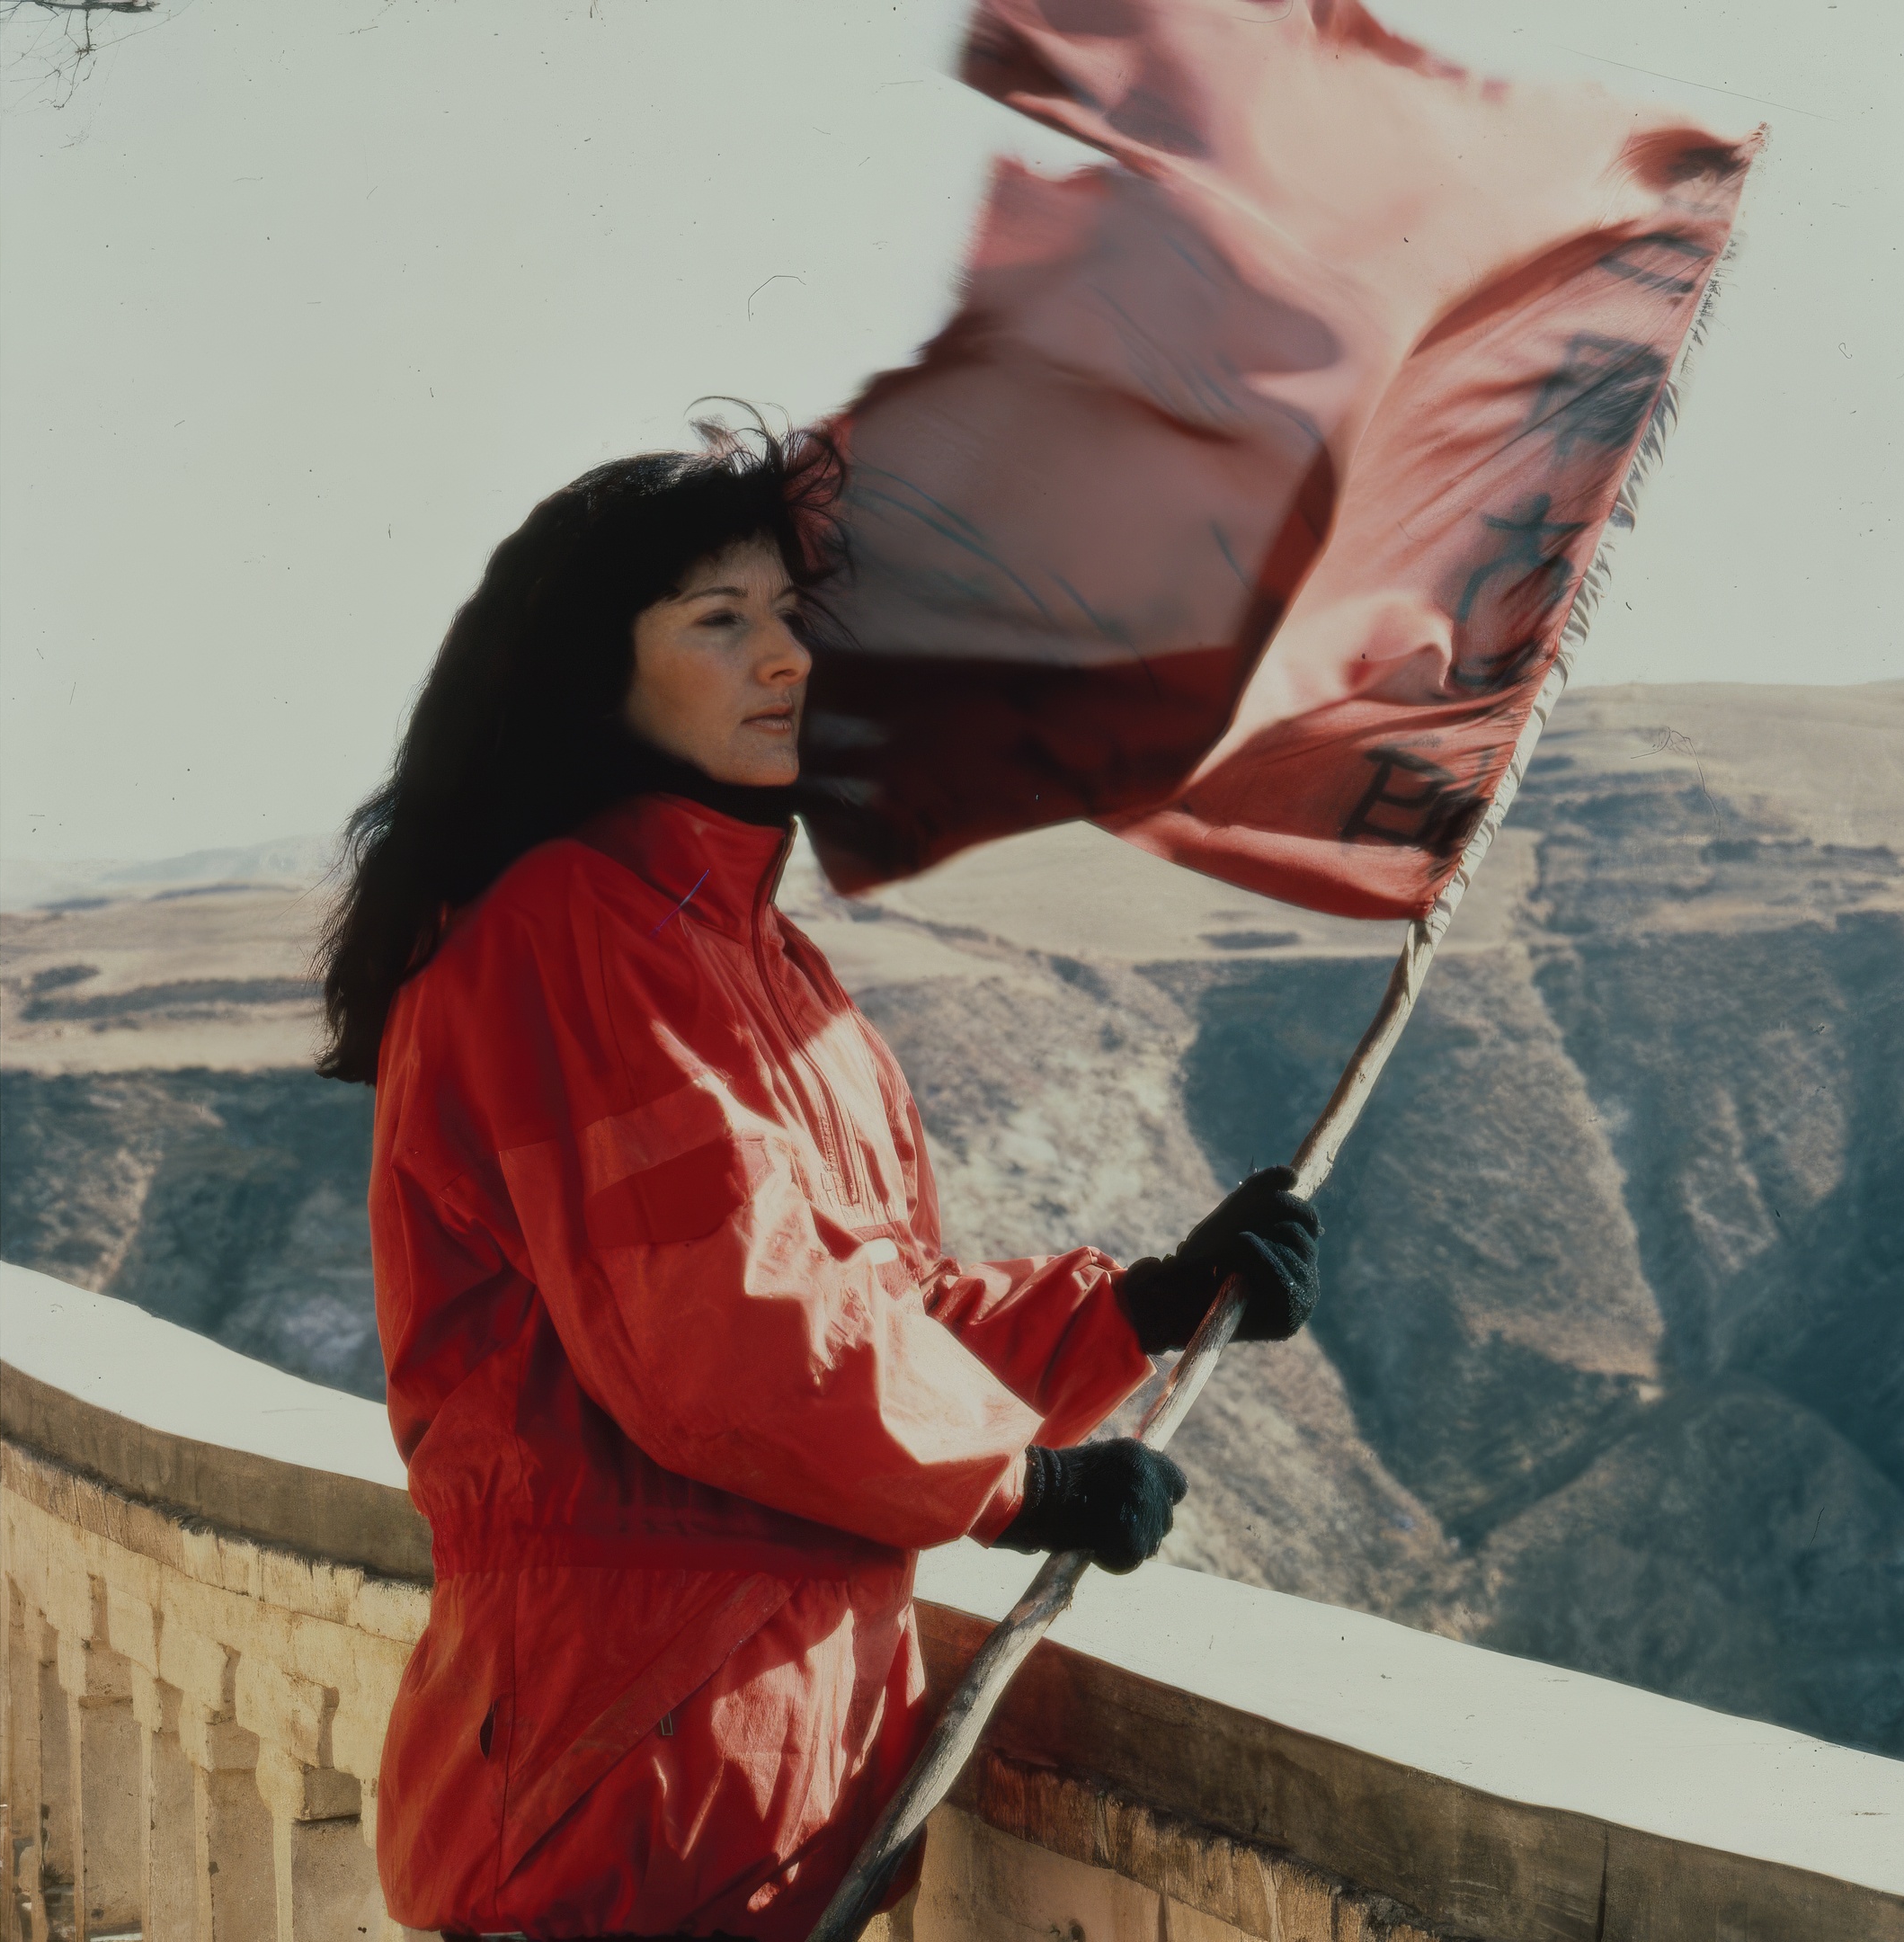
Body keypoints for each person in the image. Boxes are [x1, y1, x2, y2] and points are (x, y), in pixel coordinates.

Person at [316, 415, 1322, 1942]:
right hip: (622, 1796)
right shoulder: (567, 934)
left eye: (792, 616)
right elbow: (720, 1335)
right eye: (721, 622)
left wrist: (1139, 1308)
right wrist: (1021, 1485)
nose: (785, 658)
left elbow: (873, 1310)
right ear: (595, 670)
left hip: (750, 1776)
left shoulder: (753, 957)